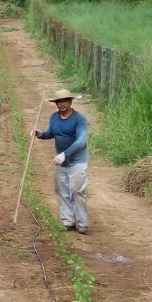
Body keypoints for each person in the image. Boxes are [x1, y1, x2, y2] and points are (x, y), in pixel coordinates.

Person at [34, 90, 90, 233]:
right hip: (61, 162)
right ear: (56, 104)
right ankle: (68, 221)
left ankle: (82, 223)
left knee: (77, 191)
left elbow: (80, 142)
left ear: (71, 102)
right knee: (62, 191)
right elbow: (50, 133)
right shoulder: (54, 118)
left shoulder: (80, 120)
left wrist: (64, 154)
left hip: (77, 161)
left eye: (65, 101)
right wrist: (39, 134)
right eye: (59, 102)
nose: (62, 104)